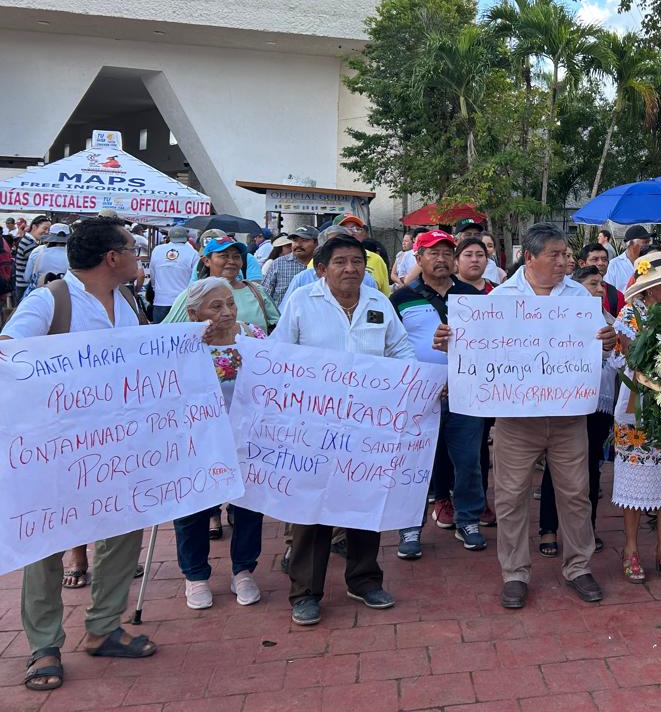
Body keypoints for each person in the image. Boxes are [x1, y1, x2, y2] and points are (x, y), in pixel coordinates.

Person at [3, 216, 156, 691]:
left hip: (116, 447)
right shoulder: (50, 300)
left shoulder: (127, 300)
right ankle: (44, 645)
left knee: (121, 532)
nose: (138, 257)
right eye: (133, 249)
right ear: (113, 257)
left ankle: (103, 626)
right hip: (57, 449)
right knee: (46, 546)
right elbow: (8, 349)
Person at [432, 223, 616, 610]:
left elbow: (596, 351)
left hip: (567, 418)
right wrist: (451, 342)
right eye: (556, 255)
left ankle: (578, 566)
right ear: (529, 258)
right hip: (516, 422)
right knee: (511, 498)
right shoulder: (499, 299)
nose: (565, 262)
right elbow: (480, 352)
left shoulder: (580, 299)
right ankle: (515, 573)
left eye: (566, 255)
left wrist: (607, 341)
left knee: (576, 495)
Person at [275, 233, 415, 625]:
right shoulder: (302, 302)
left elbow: (400, 350)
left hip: (368, 427)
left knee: (364, 503)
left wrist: (412, 382)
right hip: (315, 425)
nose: (351, 269)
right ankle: (306, 592)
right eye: (341, 262)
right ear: (321, 269)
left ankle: (364, 580)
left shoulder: (378, 303)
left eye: (357, 262)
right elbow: (281, 353)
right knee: (311, 509)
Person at [389, 230, 487, 558]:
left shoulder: (472, 297)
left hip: (464, 394)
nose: (441, 258)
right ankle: (410, 526)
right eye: (433, 253)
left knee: (468, 460)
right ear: (418, 259)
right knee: (414, 463)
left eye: (447, 252)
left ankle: (468, 519)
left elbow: (488, 345)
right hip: (417, 396)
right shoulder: (401, 298)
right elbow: (391, 346)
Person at [172, 277, 267, 610]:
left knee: (248, 506)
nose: (227, 312)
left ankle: (243, 569)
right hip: (197, 440)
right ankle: (195, 576)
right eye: (216, 306)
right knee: (194, 508)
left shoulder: (254, 335)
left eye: (230, 303)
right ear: (193, 312)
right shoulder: (180, 345)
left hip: (246, 436)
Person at [612, 252, 661, 582]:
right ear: (651, 285)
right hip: (637, 404)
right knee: (636, 481)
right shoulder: (630, 313)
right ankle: (630, 548)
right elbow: (631, 357)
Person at [539, 265, 621, 558]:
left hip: (599, 403)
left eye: (601, 285)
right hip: (566, 401)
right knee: (556, 465)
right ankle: (548, 527)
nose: (599, 289)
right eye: (592, 283)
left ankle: (588, 527)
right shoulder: (560, 319)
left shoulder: (610, 320)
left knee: (590, 467)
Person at [164, 237, 280, 332]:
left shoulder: (257, 291)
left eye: (236, 256)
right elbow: (167, 332)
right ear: (206, 261)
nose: (231, 261)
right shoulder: (194, 294)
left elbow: (279, 329)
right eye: (224, 256)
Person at [148, 226, 199, 322]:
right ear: (187, 238)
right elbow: (195, 280)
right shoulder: (193, 253)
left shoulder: (157, 250)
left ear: (168, 237)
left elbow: (153, 274)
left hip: (160, 301)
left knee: (160, 335)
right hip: (182, 304)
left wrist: (156, 290)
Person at [261, 225, 319, 308]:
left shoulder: (322, 265)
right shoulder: (278, 264)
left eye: (304, 240)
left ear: (316, 242)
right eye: (295, 241)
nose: (298, 244)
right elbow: (265, 296)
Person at [336, 214, 391, 293]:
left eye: (356, 229)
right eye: (345, 229)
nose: (352, 233)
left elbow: (385, 294)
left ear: (363, 234)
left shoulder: (376, 260)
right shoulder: (322, 259)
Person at [22, 222, 71, 295]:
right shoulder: (72, 254)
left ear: (50, 236)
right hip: (66, 295)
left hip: (41, 294)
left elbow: (27, 277)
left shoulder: (38, 251)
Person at [579, 243, 625, 317]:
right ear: (582, 263)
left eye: (604, 259)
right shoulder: (569, 291)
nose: (601, 263)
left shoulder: (617, 296)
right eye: (595, 259)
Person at [605, 225, 652, 292]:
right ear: (631, 243)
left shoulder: (648, 263)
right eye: (645, 242)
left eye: (648, 242)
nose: (648, 245)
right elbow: (609, 292)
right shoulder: (614, 265)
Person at [12, 214, 50, 294]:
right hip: (25, 287)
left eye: (48, 230)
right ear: (34, 227)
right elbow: (41, 263)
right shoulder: (28, 243)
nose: (47, 232)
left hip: (24, 286)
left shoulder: (30, 241)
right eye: (44, 228)